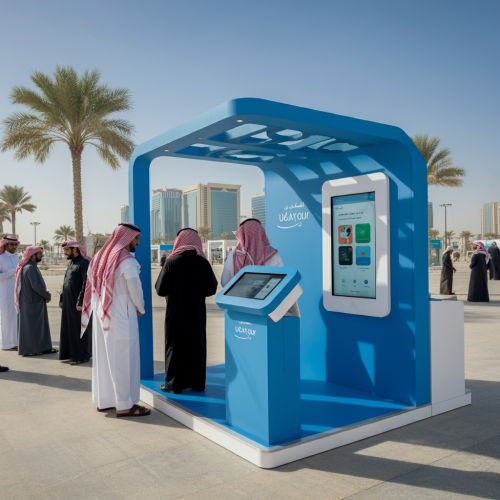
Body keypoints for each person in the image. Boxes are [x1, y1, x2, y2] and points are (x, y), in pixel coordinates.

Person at [81, 223, 150, 417]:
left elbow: (90, 285)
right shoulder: (126, 260)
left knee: (105, 358)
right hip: (121, 317)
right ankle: (124, 405)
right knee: (123, 360)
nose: (138, 242)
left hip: (102, 316)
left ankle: (105, 401)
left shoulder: (98, 258)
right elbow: (135, 289)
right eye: (136, 238)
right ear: (127, 238)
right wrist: (141, 308)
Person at [155, 228, 218, 394]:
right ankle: (197, 383)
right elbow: (211, 289)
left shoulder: (171, 262)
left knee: (175, 347)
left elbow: (160, 289)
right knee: (196, 346)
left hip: (175, 313)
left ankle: (174, 384)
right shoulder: (203, 262)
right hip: (196, 313)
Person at [221, 219, 300, 318]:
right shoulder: (272, 254)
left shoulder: (233, 256)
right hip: (267, 310)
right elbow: (283, 281)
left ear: (241, 234)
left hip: (239, 308)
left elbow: (225, 282)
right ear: (261, 233)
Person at [16, 246, 57, 356]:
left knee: (36, 328)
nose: (41, 255)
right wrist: (47, 295)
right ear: (33, 255)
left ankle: (42, 348)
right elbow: (36, 286)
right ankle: (31, 350)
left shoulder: (30, 266)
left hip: (33, 302)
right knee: (33, 328)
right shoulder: (30, 268)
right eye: (39, 254)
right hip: (32, 302)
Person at [59, 240, 92, 365]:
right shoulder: (72, 263)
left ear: (75, 249)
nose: (65, 252)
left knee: (79, 329)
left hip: (78, 303)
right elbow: (65, 282)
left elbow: (86, 283)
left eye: (67, 250)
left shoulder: (84, 263)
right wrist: (62, 298)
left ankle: (81, 356)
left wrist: (81, 301)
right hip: (68, 301)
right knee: (69, 328)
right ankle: (71, 354)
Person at [0, 235, 20, 350]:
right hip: (4, 293)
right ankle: (6, 344)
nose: (14, 247)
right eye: (11, 244)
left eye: (15, 244)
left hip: (16, 292)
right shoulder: (1, 258)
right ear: (5, 244)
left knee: (14, 318)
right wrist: (11, 272)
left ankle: (14, 342)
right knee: (6, 318)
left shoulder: (16, 258)